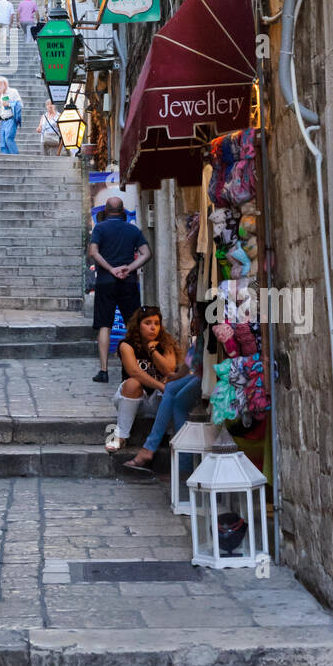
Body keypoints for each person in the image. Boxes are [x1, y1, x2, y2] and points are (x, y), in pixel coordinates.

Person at [88, 197, 152, 383]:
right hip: (128, 281)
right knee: (132, 325)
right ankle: (135, 367)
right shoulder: (132, 230)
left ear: (106, 211)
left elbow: (93, 252)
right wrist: (129, 268)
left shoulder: (100, 229)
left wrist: (110, 269)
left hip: (106, 281)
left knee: (104, 325)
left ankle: (104, 370)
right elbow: (147, 253)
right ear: (123, 210)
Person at [123, 329, 204, 471]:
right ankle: (151, 448)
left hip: (213, 376)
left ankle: (181, 463)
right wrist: (177, 376)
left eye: (196, 317)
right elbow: (192, 357)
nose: (193, 322)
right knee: (171, 388)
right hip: (200, 375)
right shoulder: (205, 329)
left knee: (179, 402)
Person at [104, 306, 179, 452]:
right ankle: (121, 436)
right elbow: (134, 371)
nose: (153, 328)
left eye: (156, 323)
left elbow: (169, 370)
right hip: (134, 399)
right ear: (138, 325)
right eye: (148, 323)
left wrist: (153, 351)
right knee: (133, 383)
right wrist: (160, 385)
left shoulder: (166, 344)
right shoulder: (126, 345)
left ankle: (171, 434)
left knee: (171, 382)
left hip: (158, 400)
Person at [0, 75, 22, 154]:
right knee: (3, 142)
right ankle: (5, 158)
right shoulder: (1, 94)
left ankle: (15, 157)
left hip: (11, 119)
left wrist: (9, 104)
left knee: (8, 138)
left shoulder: (13, 92)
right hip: (3, 121)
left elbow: (20, 104)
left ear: (5, 84)